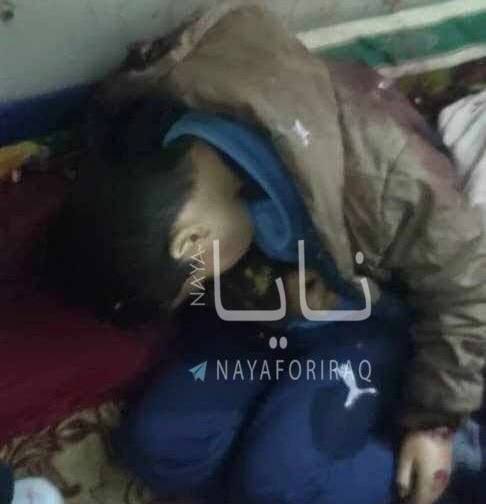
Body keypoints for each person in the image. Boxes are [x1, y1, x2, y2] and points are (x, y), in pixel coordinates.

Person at [51, 2, 486, 503]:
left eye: (198, 281)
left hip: (376, 315)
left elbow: (467, 284)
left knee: (278, 481)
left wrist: (434, 424)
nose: (207, 285)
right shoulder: (151, 134)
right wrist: (273, 300)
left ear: (191, 241)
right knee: (159, 446)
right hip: (278, 316)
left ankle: (460, 460)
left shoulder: (385, 170)